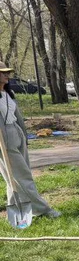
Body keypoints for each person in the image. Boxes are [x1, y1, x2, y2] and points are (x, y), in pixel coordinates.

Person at [0, 61, 60, 220]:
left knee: (15, 177)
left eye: (8, 72)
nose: (7, 75)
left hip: (16, 133)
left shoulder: (7, 93)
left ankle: (17, 210)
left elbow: (17, 116)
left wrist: (23, 136)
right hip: (4, 140)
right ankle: (43, 209)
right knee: (22, 176)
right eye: (3, 72)